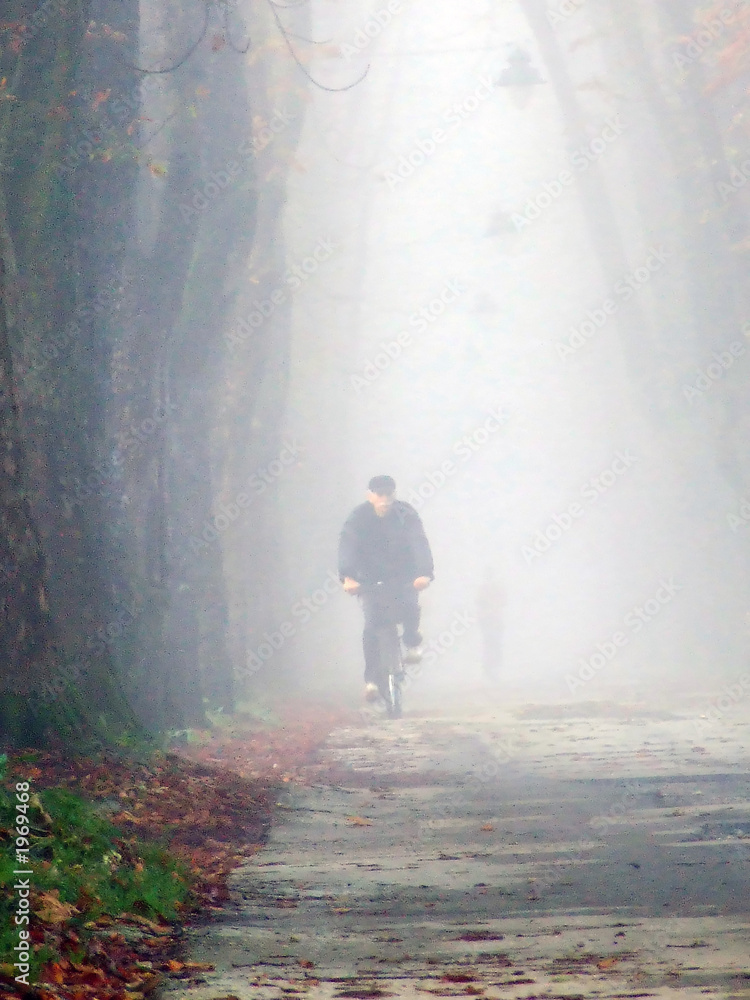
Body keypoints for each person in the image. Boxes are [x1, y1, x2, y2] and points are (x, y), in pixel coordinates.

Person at [338, 475, 434, 701]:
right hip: (369, 579)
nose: (384, 500)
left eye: (389, 494)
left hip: (404, 576)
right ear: (369, 496)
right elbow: (348, 545)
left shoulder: (406, 514)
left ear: (394, 495)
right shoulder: (358, 518)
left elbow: (418, 542)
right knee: (372, 624)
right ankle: (371, 681)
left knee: (410, 605)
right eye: (379, 494)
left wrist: (424, 573)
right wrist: (348, 576)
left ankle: (411, 642)